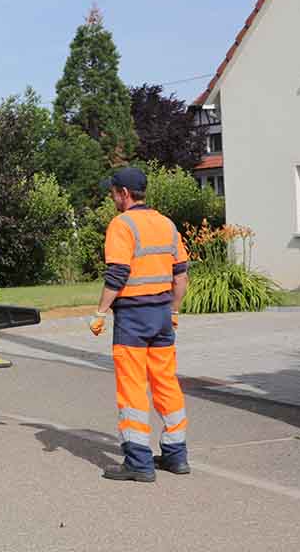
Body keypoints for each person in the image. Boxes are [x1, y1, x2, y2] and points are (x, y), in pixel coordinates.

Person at [88, 167, 190, 482]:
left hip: (133, 319)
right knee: (166, 383)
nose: (112, 197)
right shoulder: (166, 224)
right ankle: (176, 456)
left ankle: (139, 463)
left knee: (132, 389)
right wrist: (173, 310)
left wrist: (101, 312)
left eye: (113, 192)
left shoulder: (122, 225)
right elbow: (181, 276)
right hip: (161, 317)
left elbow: (117, 273)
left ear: (124, 194)